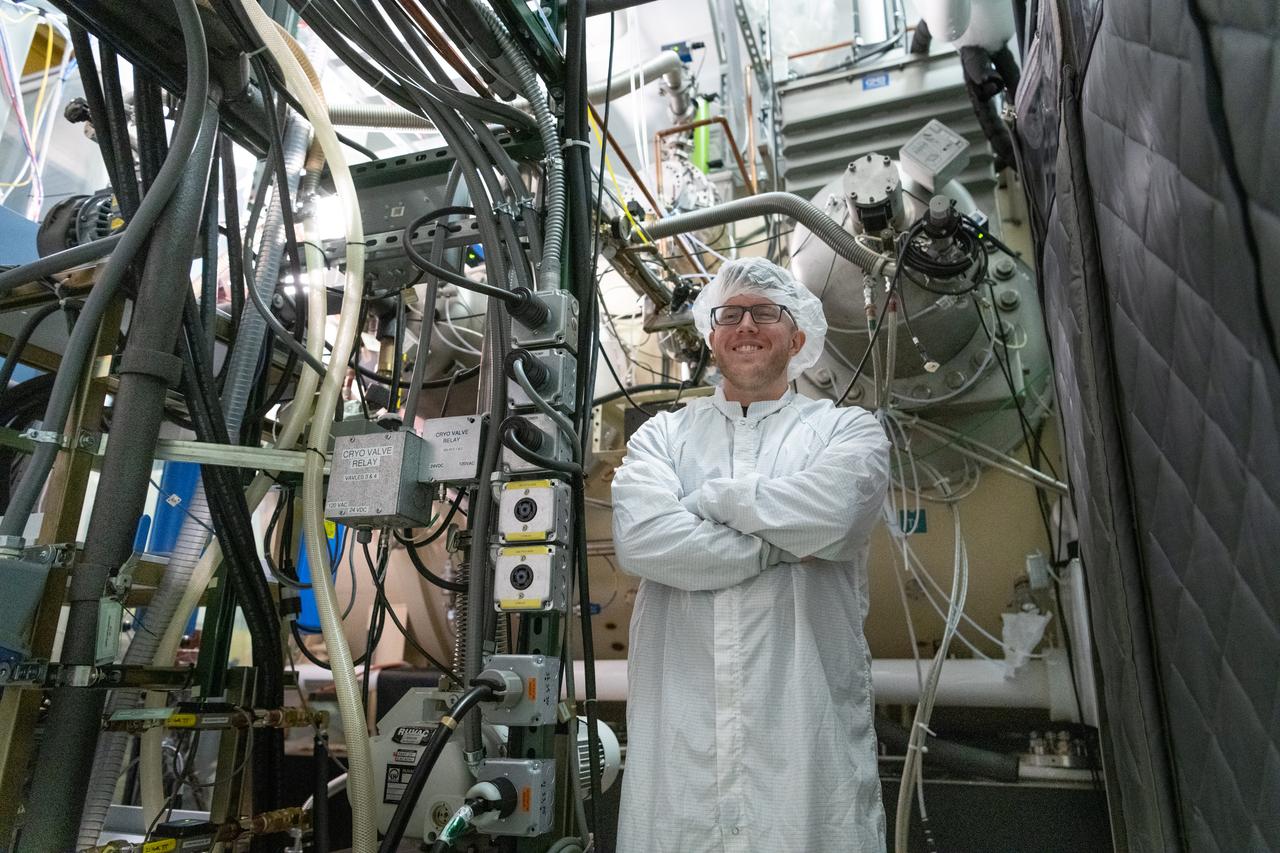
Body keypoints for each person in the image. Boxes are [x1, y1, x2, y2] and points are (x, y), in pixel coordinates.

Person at [610, 257, 891, 852]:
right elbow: (644, 540)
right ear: (710, 334)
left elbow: (834, 516)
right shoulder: (662, 435)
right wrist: (782, 547)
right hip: (683, 744)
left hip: (803, 742)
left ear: (797, 336)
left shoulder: (849, 431)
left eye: (765, 313)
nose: (746, 325)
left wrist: (710, 500)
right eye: (730, 314)